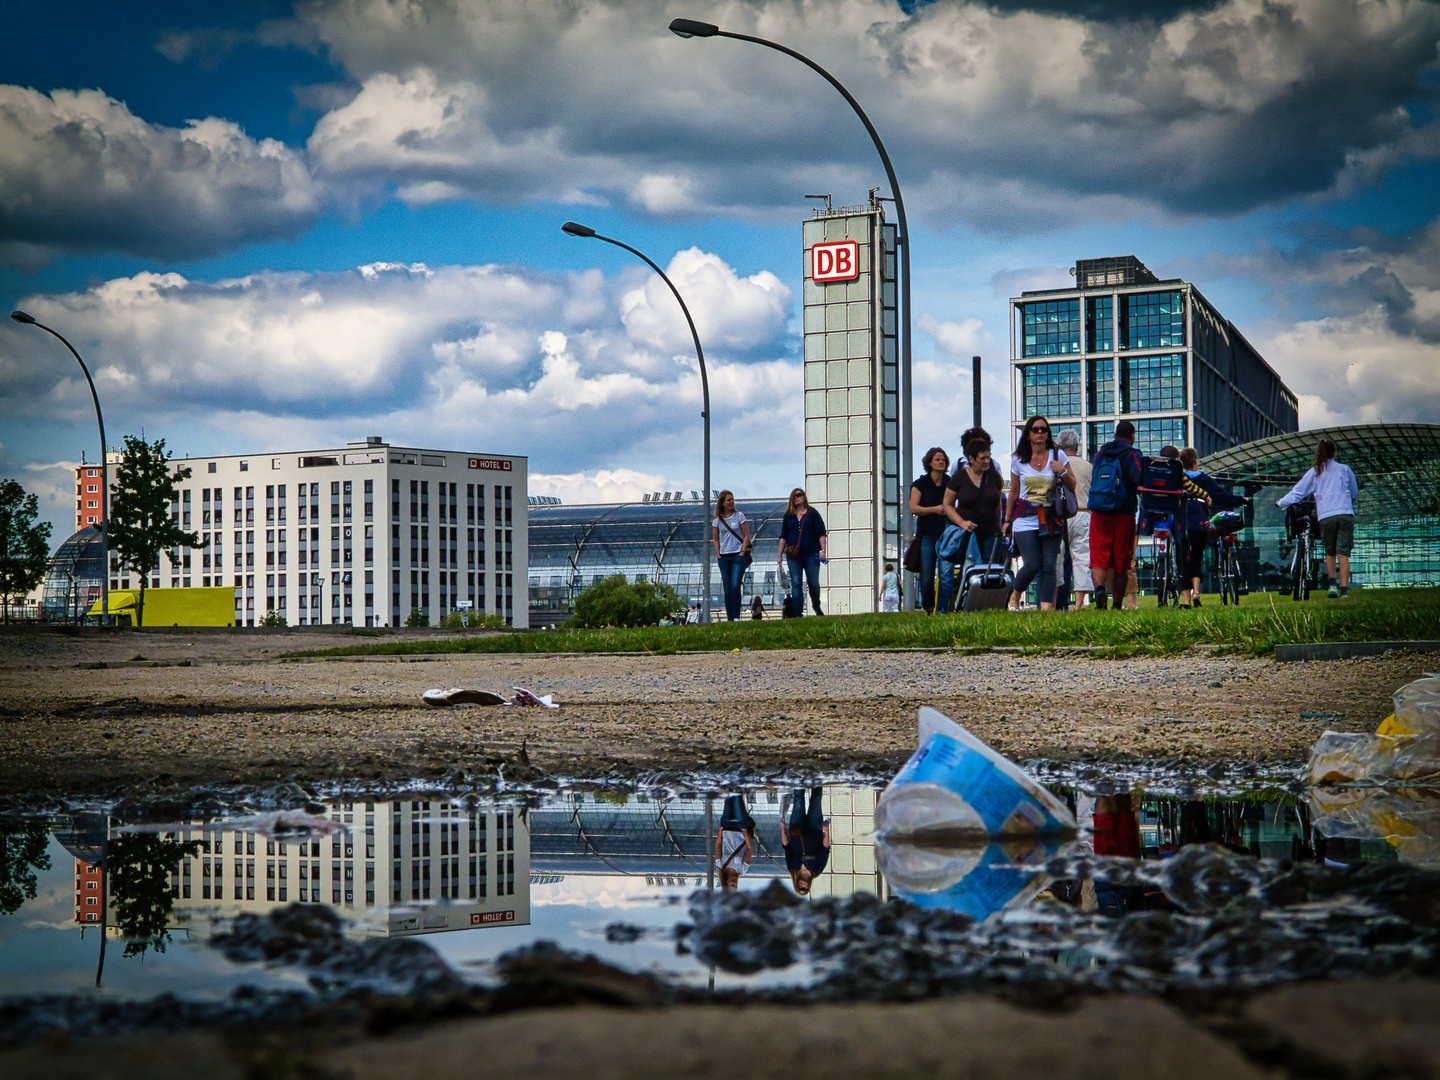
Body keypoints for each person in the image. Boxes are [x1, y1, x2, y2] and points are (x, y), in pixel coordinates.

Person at [1002, 416, 1075, 611]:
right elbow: (1014, 493)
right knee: (1032, 563)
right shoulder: (1018, 460)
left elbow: (1073, 485)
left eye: (1044, 429)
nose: (1040, 433)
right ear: (1028, 434)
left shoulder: (1058, 455)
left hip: (1051, 517)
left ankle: (1045, 608)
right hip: (1025, 517)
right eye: (1035, 430)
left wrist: (1062, 471)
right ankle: (1015, 594)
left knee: (1049, 565)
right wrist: (1007, 521)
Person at [1277, 438, 1359, 598]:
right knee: (1344, 554)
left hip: (1326, 516)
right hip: (1345, 514)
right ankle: (1344, 592)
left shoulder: (1315, 471)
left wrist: (1281, 503)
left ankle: (1332, 586)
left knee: (1330, 552)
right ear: (1334, 453)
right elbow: (1354, 492)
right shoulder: (1345, 469)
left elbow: (1298, 493)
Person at [1178, 447, 1247, 607]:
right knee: (1196, 558)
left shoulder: (1179, 478)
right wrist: (1240, 500)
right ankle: (1196, 592)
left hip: (1183, 524)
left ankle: (1186, 601)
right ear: (1196, 461)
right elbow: (1223, 496)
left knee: (1185, 561)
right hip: (1201, 524)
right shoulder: (1205, 480)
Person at [1087, 420, 1144, 611]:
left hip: (1099, 512)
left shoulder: (1100, 455)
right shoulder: (1132, 454)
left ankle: (1100, 590)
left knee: (1098, 557)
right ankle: (1117, 604)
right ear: (1132, 436)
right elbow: (1139, 479)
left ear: (1115, 435)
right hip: (1123, 513)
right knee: (1121, 561)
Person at [942, 435, 1004, 588]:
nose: (986, 461)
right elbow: (947, 504)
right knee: (972, 571)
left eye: (988, 457)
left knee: (992, 571)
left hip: (991, 532)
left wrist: (1001, 525)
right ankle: (970, 603)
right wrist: (962, 523)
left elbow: (998, 503)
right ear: (971, 459)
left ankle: (990, 605)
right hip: (969, 534)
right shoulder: (959, 477)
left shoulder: (994, 477)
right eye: (982, 458)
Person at [909, 447, 953, 614]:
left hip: (947, 534)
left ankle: (943, 611)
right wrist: (934, 509)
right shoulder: (920, 484)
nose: (941, 462)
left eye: (943, 459)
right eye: (937, 459)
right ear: (929, 463)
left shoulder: (950, 483)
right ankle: (928, 608)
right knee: (927, 576)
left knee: (946, 576)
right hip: (927, 534)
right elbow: (913, 508)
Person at [1055, 429, 1092, 609]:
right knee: (1082, 557)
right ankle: (1078, 604)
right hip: (1082, 513)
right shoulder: (1087, 466)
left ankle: (1056, 602)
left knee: (1057, 560)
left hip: (1060, 515)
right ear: (1076, 446)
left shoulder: (1054, 465)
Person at [777, 488, 827, 616]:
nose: (796, 497)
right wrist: (779, 555)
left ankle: (816, 607)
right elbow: (783, 536)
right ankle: (797, 612)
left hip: (811, 553)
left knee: (813, 582)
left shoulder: (813, 513)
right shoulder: (788, 516)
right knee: (796, 582)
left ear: (804, 497)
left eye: (799, 495)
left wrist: (823, 551)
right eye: (794, 496)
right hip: (794, 555)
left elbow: (821, 533)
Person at [780, 786, 831, 895]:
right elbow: (825, 849)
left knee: (798, 800)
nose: (802, 886)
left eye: (799, 888)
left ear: (796, 885)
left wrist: (782, 828)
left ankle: (799, 776)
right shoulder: (816, 871)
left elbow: (786, 847)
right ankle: (818, 777)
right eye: (804, 889)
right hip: (814, 830)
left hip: (796, 829)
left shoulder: (792, 868)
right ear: (808, 886)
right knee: (816, 799)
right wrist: (826, 831)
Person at [711, 489, 751, 622]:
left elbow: (746, 535)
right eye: (728, 500)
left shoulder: (739, 516)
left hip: (738, 556)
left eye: (732, 499)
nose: (731, 502)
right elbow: (715, 539)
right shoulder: (717, 520)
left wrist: (742, 552)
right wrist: (718, 555)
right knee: (727, 589)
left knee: (735, 586)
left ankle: (735, 616)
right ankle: (730, 617)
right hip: (724, 556)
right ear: (722, 503)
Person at [715, 794, 756, 890]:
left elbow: (718, 844)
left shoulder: (720, 867)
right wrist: (745, 832)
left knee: (728, 798)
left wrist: (720, 829)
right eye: (736, 885)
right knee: (737, 798)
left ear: (726, 882)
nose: (735, 883)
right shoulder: (742, 870)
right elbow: (749, 848)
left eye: (732, 885)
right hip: (740, 829)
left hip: (727, 827)